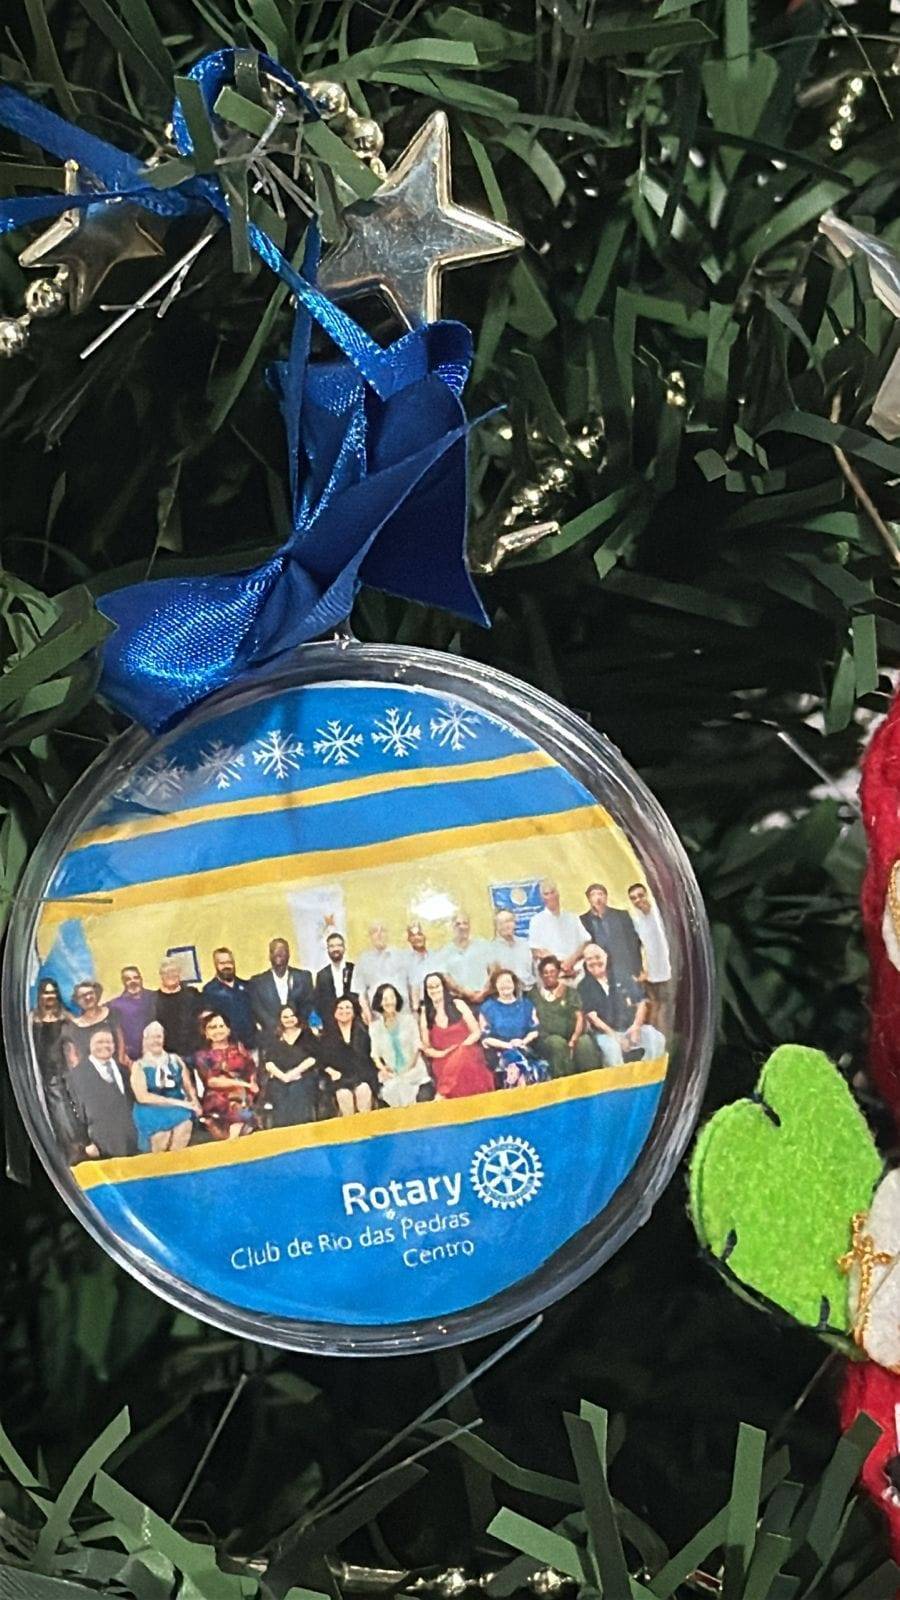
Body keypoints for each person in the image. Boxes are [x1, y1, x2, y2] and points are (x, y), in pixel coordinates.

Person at [578, 944, 665, 1067]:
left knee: (655, 1038)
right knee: (613, 1049)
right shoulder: (584, 986)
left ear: (606, 956)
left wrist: (636, 1027)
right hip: (605, 1034)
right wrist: (616, 1038)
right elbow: (593, 1018)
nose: (594, 961)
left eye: (597, 957)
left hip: (630, 1028)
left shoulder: (621, 976)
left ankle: (651, 1074)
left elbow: (641, 1002)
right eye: (589, 959)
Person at [419, 973, 493, 1100]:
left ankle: (442, 1092)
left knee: (463, 1056)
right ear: (426, 991)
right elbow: (427, 1048)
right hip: (443, 1058)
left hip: (468, 1050)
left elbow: (476, 1032)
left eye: (437, 986)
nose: (434, 990)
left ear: (443, 987)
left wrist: (460, 1047)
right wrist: (442, 1053)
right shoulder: (425, 1013)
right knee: (450, 1064)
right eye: (430, 987)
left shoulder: (458, 1004)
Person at [130, 1020, 200, 1154]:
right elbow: (142, 1097)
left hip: (178, 1108)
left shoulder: (175, 1060)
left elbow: (187, 1085)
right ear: (145, 1040)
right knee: (162, 1139)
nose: (155, 1040)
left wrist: (195, 1102)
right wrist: (180, 1103)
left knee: (184, 1126)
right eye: (152, 1037)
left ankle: (176, 1163)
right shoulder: (139, 1065)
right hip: (152, 1109)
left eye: (158, 1036)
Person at [30, 978, 81, 1160]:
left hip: (60, 1072)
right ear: (40, 995)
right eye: (46, 993)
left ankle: (74, 1148)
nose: (50, 996)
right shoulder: (32, 1019)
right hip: (38, 1072)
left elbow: (76, 1041)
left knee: (63, 1110)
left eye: (53, 992)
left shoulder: (65, 1018)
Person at [68, 1026, 137, 1160]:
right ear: (90, 1045)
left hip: (131, 1142)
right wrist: (86, 1143)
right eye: (99, 1042)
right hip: (101, 1146)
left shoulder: (124, 1071)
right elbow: (74, 1112)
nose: (105, 1045)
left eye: (109, 1042)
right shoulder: (78, 1075)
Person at [532, 956, 602, 1076]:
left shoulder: (570, 992)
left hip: (573, 1034)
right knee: (557, 1044)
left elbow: (579, 1017)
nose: (549, 975)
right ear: (541, 975)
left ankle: (593, 1081)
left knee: (585, 1043)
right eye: (545, 972)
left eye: (552, 971)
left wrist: (574, 1039)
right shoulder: (533, 995)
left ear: (558, 972)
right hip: (548, 1039)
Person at [479, 970, 549, 1088]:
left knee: (534, 1066)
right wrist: (509, 1045)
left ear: (514, 984)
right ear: (495, 986)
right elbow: (486, 1038)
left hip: (525, 1048)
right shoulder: (487, 1008)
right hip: (500, 1052)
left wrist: (523, 1042)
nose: (505, 985)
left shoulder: (526, 1005)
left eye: (508, 981)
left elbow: (534, 1030)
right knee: (514, 1061)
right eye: (501, 982)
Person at [195, 1012, 259, 1139]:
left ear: (228, 1030)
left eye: (221, 1026)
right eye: (212, 1027)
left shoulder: (240, 1050)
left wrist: (251, 1086)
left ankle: (233, 1141)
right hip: (218, 1097)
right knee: (237, 1114)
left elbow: (251, 1070)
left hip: (244, 1095)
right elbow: (212, 1081)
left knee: (246, 1112)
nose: (218, 1030)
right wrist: (242, 1084)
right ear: (206, 1033)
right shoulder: (203, 1056)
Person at [263, 1004, 327, 1127]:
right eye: (285, 1017)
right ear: (280, 1019)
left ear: (297, 1017)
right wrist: (284, 1077)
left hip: (304, 1075)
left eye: (292, 1016)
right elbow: (268, 1062)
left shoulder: (307, 1034)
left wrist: (294, 1073)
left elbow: (313, 1058)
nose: (289, 1019)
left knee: (297, 1091)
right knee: (279, 1093)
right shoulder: (274, 1037)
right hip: (280, 1078)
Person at [369, 983, 430, 1108]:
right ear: (379, 1002)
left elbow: (417, 1048)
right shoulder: (375, 1027)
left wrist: (406, 1070)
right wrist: (383, 1069)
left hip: (414, 1072)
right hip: (392, 1075)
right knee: (392, 1091)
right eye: (385, 999)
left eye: (392, 997)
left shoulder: (409, 1020)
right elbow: (375, 1054)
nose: (389, 1002)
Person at [318, 997, 378, 1115]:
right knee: (344, 1095)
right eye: (340, 1008)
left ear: (354, 1012)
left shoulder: (363, 1032)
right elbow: (321, 1062)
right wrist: (331, 1072)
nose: (344, 1011)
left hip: (361, 1075)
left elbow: (369, 1058)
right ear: (334, 1013)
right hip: (339, 1077)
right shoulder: (326, 1036)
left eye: (347, 1008)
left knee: (363, 1091)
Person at [628, 883, 672, 1034]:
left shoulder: (660, 915)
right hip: (650, 974)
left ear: (647, 895)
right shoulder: (637, 921)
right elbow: (637, 947)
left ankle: (664, 1038)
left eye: (640, 895)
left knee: (666, 1008)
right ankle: (657, 1040)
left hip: (668, 971)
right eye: (633, 898)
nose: (638, 900)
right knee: (654, 1007)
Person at [580, 884, 643, 984]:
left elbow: (634, 943)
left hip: (624, 969)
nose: (598, 898)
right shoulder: (582, 921)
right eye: (593, 895)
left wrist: (637, 970)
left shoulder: (622, 916)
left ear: (606, 897)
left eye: (601, 894)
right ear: (588, 899)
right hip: (599, 973)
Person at [250, 938, 314, 1035]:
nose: (279, 953)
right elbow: (258, 1010)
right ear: (269, 956)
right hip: (271, 1035)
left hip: (300, 1034)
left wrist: (296, 1025)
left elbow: (308, 1004)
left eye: (282, 951)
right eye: (274, 950)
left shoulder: (304, 977)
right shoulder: (257, 982)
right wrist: (277, 1028)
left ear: (289, 954)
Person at [528, 880, 586, 976]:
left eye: (552, 892)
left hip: (576, 970)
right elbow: (536, 950)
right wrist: (560, 964)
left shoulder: (573, 917)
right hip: (552, 974)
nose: (550, 896)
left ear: (558, 894)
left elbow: (585, 942)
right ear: (542, 898)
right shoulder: (536, 921)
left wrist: (571, 961)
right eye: (546, 894)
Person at [201, 948, 257, 1049]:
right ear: (215, 965)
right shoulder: (209, 990)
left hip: (252, 1044)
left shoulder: (246, 986)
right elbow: (209, 1023)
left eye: (229, 962)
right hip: (226, 1047)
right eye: (222, 963)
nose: (226, 966)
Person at [62, 982, 125, 1069]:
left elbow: (121, 1040)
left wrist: (121, 1062)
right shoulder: (74, 1027)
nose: (88, 997)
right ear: (77, 1001)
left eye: (90, 993)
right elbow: (74, 1057)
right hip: (90, 1073)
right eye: (82, 996)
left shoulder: (111, 1014)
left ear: (96, 994)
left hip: (116, 1069)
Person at [353, 924, 408, 1023]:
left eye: (383, 930)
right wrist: (367, 1014)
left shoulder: (402, 956)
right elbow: (360, 991)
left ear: (388, 934)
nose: (379, 934)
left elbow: (412, 985)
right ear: (370, 936)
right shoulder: (363, 960)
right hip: (377, 1018)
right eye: (375, 931)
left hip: (403, 1015)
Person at [435, 912, 492, 1004]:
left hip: (485, 998)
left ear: (469, 926)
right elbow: (446, 977)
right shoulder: (444, 952)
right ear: (452, 927)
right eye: (458, 924)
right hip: (459, 1000)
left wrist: (484, 992)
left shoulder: (483, 945)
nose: (462, 927)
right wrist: (465, 992)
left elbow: (493, 970)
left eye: (465, 923)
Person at [153, 958, 204, 1060]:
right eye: (166, 972)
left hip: (195, 1052)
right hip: (167, 1055)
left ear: (179, 973)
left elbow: (203, 1019)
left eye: (173, 971)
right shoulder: (154, 999)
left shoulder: (192, 994)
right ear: (161, 975)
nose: (170, 975)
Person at [108, 965, 156, 1065]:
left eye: (136, 977)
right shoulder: (116, 1005)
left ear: (141, 979)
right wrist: (122, 1054)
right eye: (128, 979)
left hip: (157, 1052)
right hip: (132, 1057)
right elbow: (117, 1030)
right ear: (123, 982)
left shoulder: (155, 997)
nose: (133, 981)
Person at [487, 909, 534, 992]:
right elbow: (493, 977)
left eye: (509, 921)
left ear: (515, 923)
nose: (507, 925)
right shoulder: (491, 949)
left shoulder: (525, 944)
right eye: (501, 923)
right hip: (507, 992)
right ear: (496, 927)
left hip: (530, 990)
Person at [314, 932, 358, 1019]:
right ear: (327, 950)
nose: (335, 949)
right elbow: (319, 1002)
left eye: (339, 945)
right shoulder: (322, 975)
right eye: (332, 946)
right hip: (331, 1021)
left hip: (354, 1018)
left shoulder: (354, 969)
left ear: (344, 948)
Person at [403, 922, 433, 1010]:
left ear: (425, 936)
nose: (417, 938)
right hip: (416, 1007)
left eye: (419, 934)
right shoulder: (405, 961)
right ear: (409, 939)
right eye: (413, 935)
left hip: (435, 1004)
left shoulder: (435, 957)